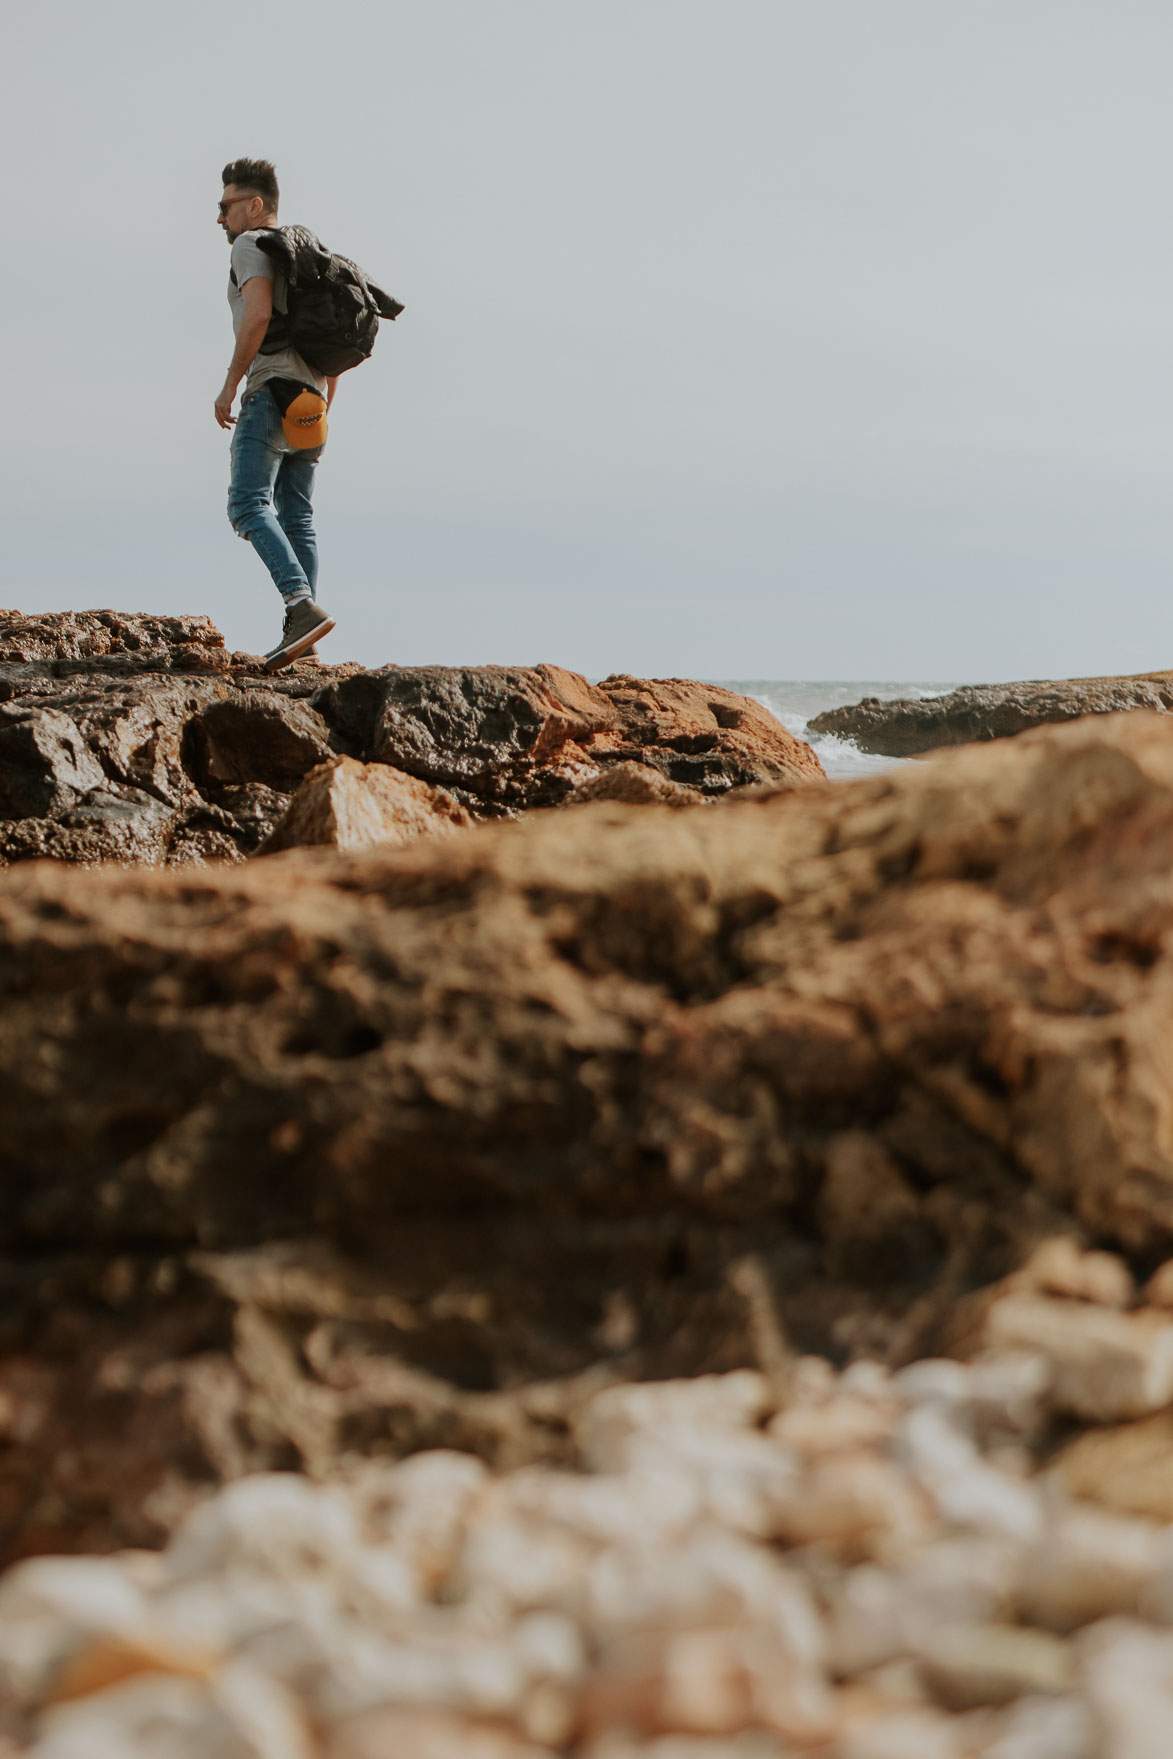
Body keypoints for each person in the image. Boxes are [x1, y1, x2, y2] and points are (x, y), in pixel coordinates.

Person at [215, 157, 337, 670]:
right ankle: (304, 645)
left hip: (270, 392)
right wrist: (325, 398)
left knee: (246, 505)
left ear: (255, 205)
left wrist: (230, 384)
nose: (220, 218)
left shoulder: (252, 246)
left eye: (226, 206)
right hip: (312, 399)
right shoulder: (303, 256)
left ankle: (299, 605)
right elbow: (334, 339)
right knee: (297, 515)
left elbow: (259, 315)